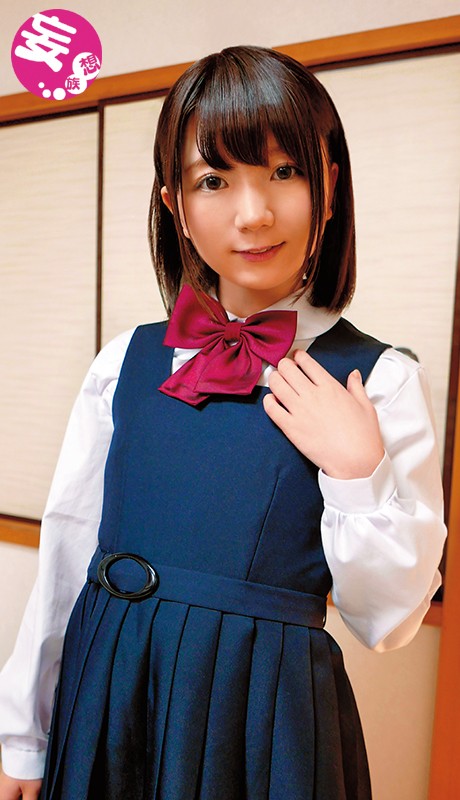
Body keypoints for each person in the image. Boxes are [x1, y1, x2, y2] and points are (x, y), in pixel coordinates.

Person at [0, 45, 446, 800]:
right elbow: (68, 551)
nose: (254, 213)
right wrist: (23, 734)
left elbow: (387, 623)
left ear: (329, 187)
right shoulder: (124, 360)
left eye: (285, 171)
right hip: (107, 684)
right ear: (173, 202)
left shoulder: (382, 380)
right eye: (214, 180)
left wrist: (357, 473)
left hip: (259, 717)